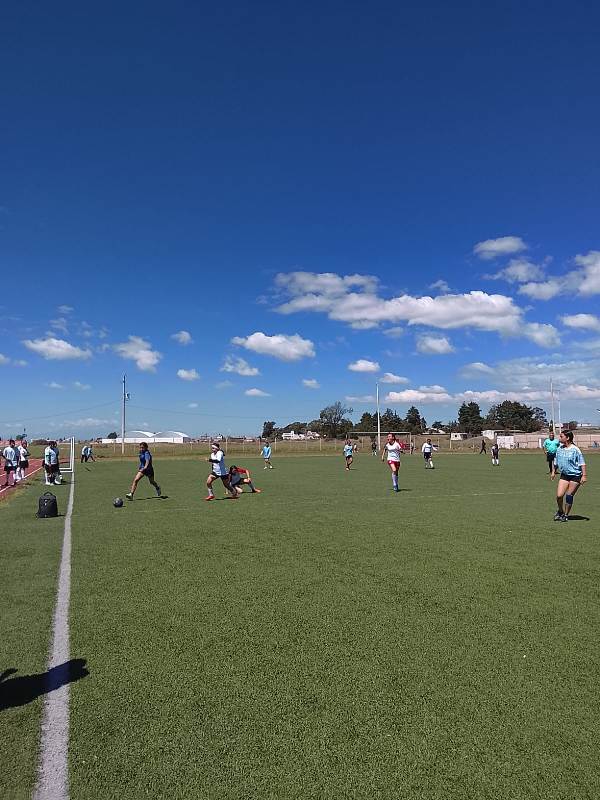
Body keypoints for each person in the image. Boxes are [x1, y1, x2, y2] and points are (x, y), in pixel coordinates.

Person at [551, 430, 587, 521]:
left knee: (569, 495)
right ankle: (561, 511)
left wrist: (584, 475)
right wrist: (553, 471)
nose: (559, 438)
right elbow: (556, 461)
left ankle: (566, 515)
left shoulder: (575, 449)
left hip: (575, 475)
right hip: (564, 475)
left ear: (567, 438)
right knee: (559, 496)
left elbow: (582, 463)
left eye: (561, 436)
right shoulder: (559, 448)